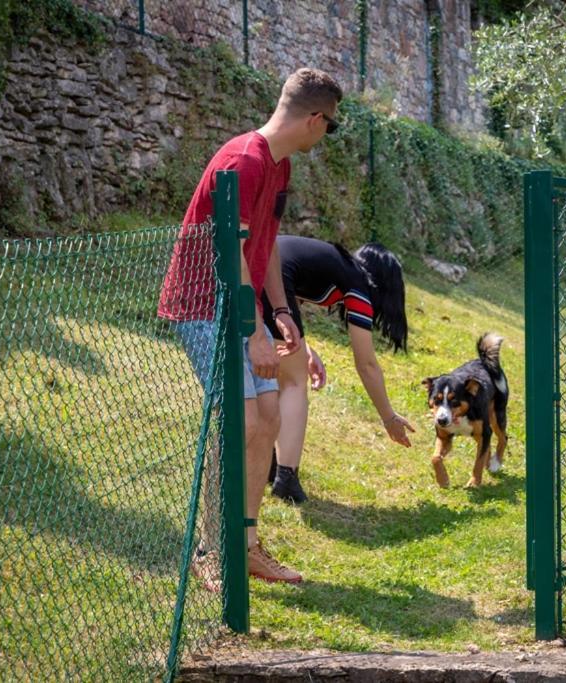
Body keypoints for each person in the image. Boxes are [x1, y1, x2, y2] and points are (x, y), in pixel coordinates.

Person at [158, 67, 343, 587]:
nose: (326, 135)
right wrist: (255, 332)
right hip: (202, 304)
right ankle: (212, 551)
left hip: (241, 305)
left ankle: (247, 544)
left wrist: (283, 316)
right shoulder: (244, 160)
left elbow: (263, 250)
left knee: (266, 421)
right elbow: (230, 252)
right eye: (329, 126)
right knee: (239, 423)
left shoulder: (277, 167)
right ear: (314, 119)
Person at [261, 235, 416, 503]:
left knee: (280, 373)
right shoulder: (358, 283)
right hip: (272, 277)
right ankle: (286, 478)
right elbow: (366, 364)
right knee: (294, 382)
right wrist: (389, 418)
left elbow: (289, 304)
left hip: (257, 267)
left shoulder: (335, 264)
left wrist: (307, 351)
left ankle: (270, 465)